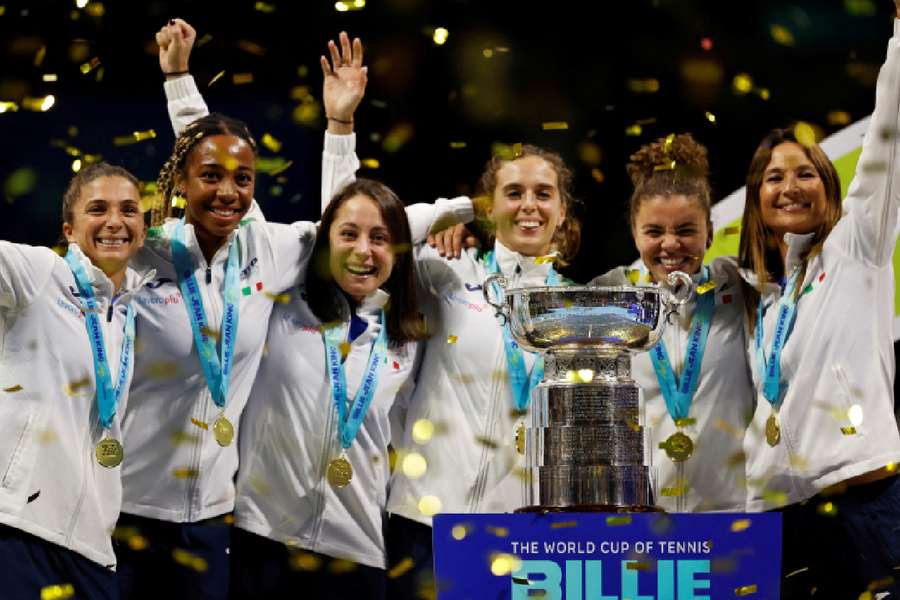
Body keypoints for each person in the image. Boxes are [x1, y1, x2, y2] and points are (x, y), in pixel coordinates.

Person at [114, 21, 471, 600]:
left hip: (232, 522)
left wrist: (464, 209)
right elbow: (204, 153)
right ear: (181, 181)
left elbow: (352, 219)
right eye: (210, 178)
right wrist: (177, 79)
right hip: (154, 510)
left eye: (245, 180)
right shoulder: (144, 252)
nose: (229, 191)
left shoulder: (274, 253)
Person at [737, 3, 900, 596]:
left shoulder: (858, 245)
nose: (789, 187)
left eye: (804, 172)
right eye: (774, 178)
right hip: (786, 514)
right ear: (757, 200)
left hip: (868, 499)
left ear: (830, 189)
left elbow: (889, 132)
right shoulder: (769, 299)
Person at [379, 144, 581, 597]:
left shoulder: (579, 308)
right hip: (425, 517)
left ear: (562, 210)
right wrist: (456, 212)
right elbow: (379, 229)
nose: (529, 205)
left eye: (543, 194)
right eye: (513, 193)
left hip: (523, 531)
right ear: (492, 206)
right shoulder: (445, 274)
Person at [229, 178, 430, 600]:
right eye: (348, 234)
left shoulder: (405, 338)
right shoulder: (279, 303)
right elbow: (245, 220)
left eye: (381, 238)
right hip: (264, 540)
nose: (363, 250)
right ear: (326, 241)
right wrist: (340, 128)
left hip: (357, 554)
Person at [0, 163, 151, 598]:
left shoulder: (134, 311)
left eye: (128, 210)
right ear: (69, 229)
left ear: (143, 229)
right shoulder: (40, 274)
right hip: (17, 530)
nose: (114, 222)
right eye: (97, 209)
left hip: (93, 549)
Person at [588, 133, 753, 513]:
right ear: (634, 233)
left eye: (685, 230)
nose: (671, 245)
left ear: (709, 232)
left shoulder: (740, 291)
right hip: (637, 518)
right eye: (654, 232)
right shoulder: (610, 302)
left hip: (732, 517)